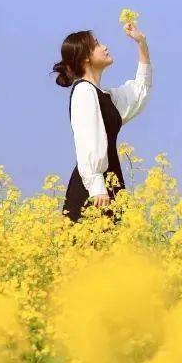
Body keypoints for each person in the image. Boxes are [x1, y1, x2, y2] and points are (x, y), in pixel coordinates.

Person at [51, 21, 152, 224]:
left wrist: (141, 43)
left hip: (109, 184)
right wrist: (97, 186)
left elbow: (139, 92)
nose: (105, 47)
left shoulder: (103, 95)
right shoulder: (84, 92)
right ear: (86, 58)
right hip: (94, 192)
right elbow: (88, 141)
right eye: (97, 44)